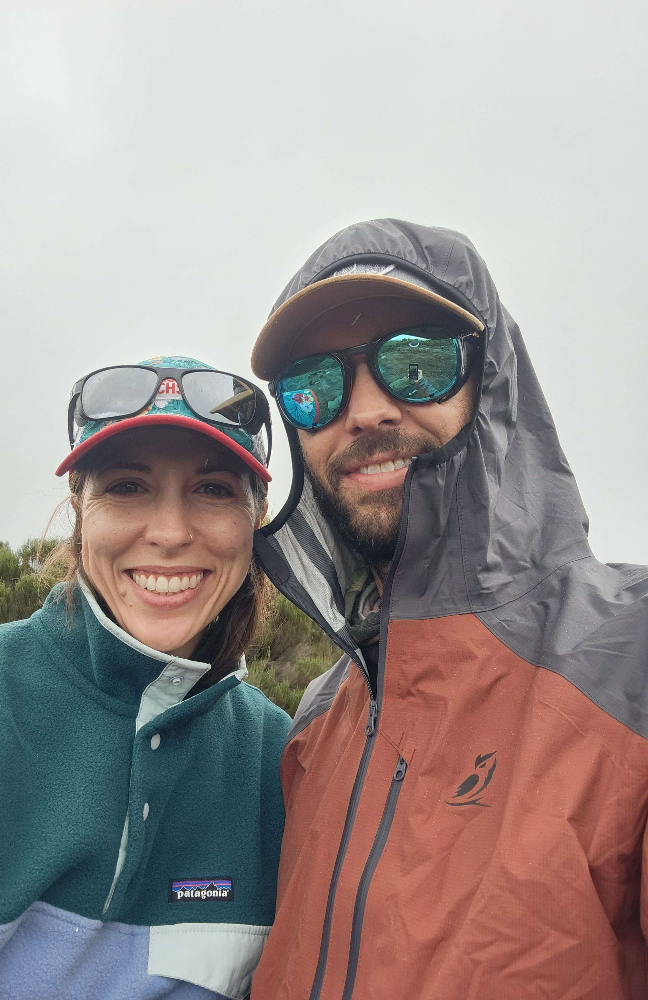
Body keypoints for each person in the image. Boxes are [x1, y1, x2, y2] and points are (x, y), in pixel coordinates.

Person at [248, 220, 648, 999]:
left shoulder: (631, 662)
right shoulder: (316, 721)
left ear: (491, 382)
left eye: (417, 363)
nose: (364, 410)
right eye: (314, 385)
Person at [0, 355, 290, 1000]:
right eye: (127, 486)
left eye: (214, 489)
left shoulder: (283, 758)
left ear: (256, 519)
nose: (170, 532)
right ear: (80, 509)